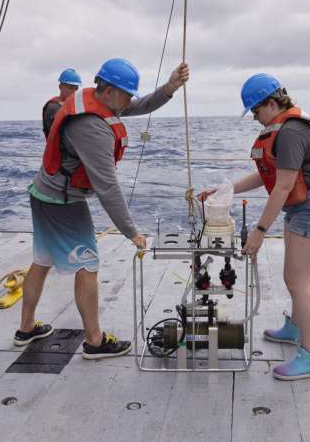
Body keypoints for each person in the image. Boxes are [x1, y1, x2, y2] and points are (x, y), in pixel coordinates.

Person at [15, 58, 190, 360]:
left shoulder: (93, 99)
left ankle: (26, 328)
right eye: (126, 95)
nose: (130, 101)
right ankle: (94, 342)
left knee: (42, 261)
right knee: (87, 266)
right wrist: (131, 231)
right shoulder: (92, 128)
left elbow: (142, 104)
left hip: (42, 193)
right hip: (63, 203)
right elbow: (107, 187)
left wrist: (171, 87)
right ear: (108, 91)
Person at [199, 73, 310, 380]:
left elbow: (283, 186)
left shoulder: (291, 132)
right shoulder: (283, 130)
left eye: (257, 112)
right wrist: (226, 189)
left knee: (297, 281)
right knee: (299, 278)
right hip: (301, 209)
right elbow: (266, 176)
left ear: (272, 103)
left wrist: (259, 232)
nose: (256, 119)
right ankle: (295, 328)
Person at [42, 68, 82, 138]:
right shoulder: (53, 107)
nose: (74, 91)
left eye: (76, 88)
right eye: (70, 88)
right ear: (60, 87)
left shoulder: (73, 106)